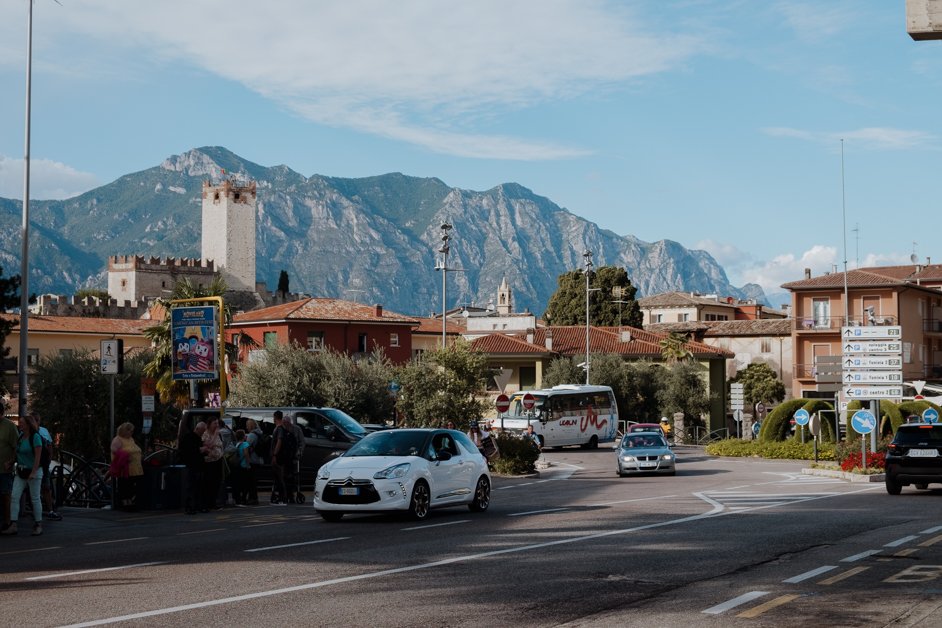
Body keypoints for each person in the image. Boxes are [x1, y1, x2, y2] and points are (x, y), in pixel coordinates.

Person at [2, 416, 43, 536]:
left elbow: (38, 457)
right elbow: (17, 452)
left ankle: (38, 524)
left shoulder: (35, 437)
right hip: (21, 471)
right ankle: (13, 524)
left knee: (35, 498)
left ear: (28, 424)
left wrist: (34, 471)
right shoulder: (20, 436)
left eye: (21, 423)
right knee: (14, 496)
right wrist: (11, 462)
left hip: (33, 471)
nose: (19, 424)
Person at [110, 422, 144, 511]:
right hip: (125, 467)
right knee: (125, 485)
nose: (131, 433)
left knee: (131, 486)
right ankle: (125, 503)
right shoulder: (118, 439)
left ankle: (131, 501)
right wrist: (124, 457)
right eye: (130, 431)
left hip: (135, 468)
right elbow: (114, 450)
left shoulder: (131, 439)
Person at [35, 414, 62, 521]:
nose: (37, 422)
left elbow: (50, 446)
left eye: (38, 420)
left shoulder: (44, 431)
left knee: (46, 487)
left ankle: (50, 509)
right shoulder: (25, 432)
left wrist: (49, 460)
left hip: (43, 465)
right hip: (31, 465)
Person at [178, 420, 205, 515]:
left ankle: (197, 506)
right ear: (197, 429)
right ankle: (190, 507)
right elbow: (187, 451)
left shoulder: (197, 438)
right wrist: (199, 450)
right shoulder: (189, 438)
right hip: (192, 465)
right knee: (191, 487)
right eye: (202, 431)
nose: (202, 433)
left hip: (198, 465)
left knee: (198, 487)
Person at [0, 413, 19, 534]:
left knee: (5, 495)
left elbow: (17, 447)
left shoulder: (10, 426)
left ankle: (7, 522)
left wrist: (11, 462)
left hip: (4, 469)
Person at [200, 417, 224, 511]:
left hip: (218, 460)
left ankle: (213, 502)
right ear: (209, 424)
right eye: (215, 423)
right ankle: (207, 503)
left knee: (216, 482)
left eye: (217, 424)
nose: (217, 426)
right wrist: (214, 436)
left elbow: (220, 445)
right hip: (209, 462)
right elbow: (208, 445)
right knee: (208, 483)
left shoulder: (218, 434)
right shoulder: (205, 434)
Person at [284, 415, 305, 503]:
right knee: (285, 476)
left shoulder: (297, 429)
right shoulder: (281, 429)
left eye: (287, 423)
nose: (286, 425)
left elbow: (302, 442)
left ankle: (291, 495)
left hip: (293, 456)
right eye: (284, 423)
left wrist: (299, 451)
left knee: (293, 476)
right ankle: (287, 494)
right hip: (285, 457)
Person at [269, 411, 289, 505]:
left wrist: (274, 455)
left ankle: (282, 498)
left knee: (279, 478)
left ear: (275, 417)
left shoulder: (279, 429)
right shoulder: (281, 428)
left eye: (273, 418)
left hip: (278, 457)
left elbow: (279, 441)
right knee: (278, 478)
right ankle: (281, 497)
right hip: (280, 457)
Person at [243, 419, 262, 505]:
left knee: (250, 481)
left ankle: (253, 498)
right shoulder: (259, 433)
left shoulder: (251, 435)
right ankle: (254, 498)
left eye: (247, 425)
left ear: (250, 426)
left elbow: (246, 448)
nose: (246, 427)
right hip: (258, 459)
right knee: (253, 480)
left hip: (252, 460)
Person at [232, 429, 251, 506]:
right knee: (246, 484)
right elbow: (246, 453)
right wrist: (248, 463)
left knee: (238, 483)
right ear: (244, 436)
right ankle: (244, 499)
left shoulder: (237, 444)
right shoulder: (245, 444)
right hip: (244, 465)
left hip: (237, 466)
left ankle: (238, 499)